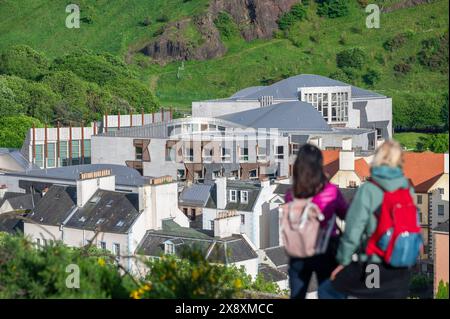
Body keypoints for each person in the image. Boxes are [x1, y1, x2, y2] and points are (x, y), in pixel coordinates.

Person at [324, 140, 416, 299]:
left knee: (327, 289)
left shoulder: (369, 189)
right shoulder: (408, 189)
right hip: (401, 268)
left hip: (374, 264)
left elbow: (352, 232)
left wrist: (343, 261)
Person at [285, 144, 348, 299]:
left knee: (297, 295)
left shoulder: (291, 194)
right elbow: (346, 214)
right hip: (326, 248)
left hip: (299, 249)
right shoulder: (331, 191)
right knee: (330, 294)